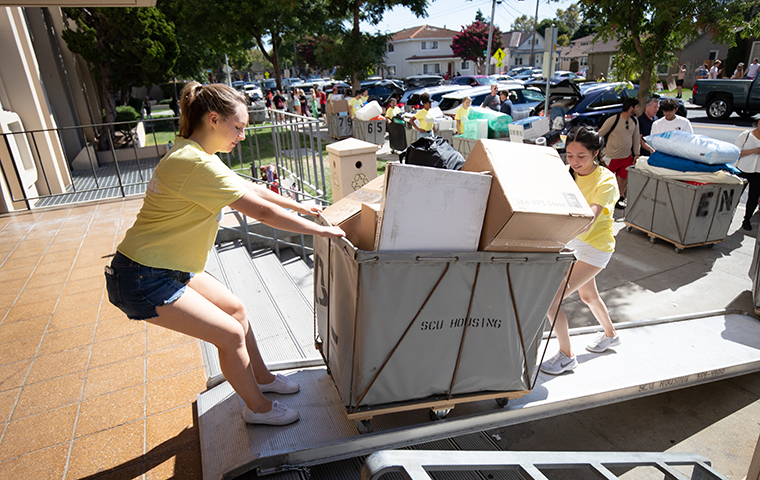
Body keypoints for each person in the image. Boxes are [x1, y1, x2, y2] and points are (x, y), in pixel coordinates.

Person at [104, 82, 345, 426]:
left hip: (167, 268)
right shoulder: (193, 164)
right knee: (229, 333)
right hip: (142, 277)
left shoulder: (196, 154)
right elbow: (260, 213)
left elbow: (251, 187)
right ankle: (257, 409)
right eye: (239, 127)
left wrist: (300, 207)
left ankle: (262, 377)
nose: (243, 136)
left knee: (235, 310)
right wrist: (320, 230)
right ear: (214, 119)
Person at [540, 126, 620, 375]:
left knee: (550, 301)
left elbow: (591, 217)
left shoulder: (606, 180)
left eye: (581, 156)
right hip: (575, 244)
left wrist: (554, 237)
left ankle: (567, 356)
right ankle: (612, 335)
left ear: (595, 153)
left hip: (596, 248)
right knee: (588, 297)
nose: (574, 161)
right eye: (569, 155)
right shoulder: (567, 173)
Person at [597, 97, 640, 209]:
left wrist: (636, 153)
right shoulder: (614, 119)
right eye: (636, 107)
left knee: (623, 179)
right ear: (631, 108)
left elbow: (636, 138)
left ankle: (618, 199)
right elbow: (600, 133)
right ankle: (602, 198)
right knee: (607, 178)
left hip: (626, 156)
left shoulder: (634, 121)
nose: (637, 109)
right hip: (612, 155)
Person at [734, 120, 760, 231]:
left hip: (758, 171)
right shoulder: (746, 135)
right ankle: (726, 217)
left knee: (753, 198)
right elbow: (735, 152)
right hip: (743, 169)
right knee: (735, 196)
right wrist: (754, 151)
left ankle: (747, 220)